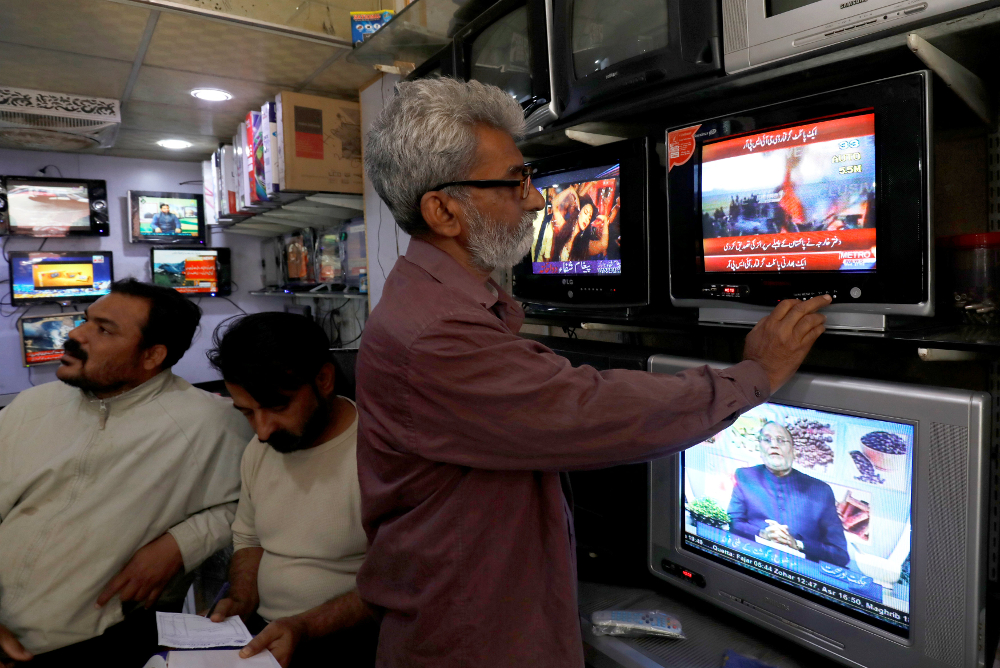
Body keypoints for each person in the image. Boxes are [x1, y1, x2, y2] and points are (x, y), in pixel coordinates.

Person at [358, 77, 831, 668]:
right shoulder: (435, 332)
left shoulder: (435, 302)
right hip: (471, 642)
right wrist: (756, 373)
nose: (536, 201)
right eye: (515, 181)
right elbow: (587, 409)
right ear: (444, 210)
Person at [0, 279, 252, 668]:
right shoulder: (32, 405)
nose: (76, 335)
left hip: (97, 643)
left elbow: (254, 502)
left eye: (103, 330)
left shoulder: (210, 424)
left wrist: (180, 544)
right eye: (87, 320)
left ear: (152, 355)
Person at [205, 313, 375, 668]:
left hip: (348, 639)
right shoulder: (260, 450)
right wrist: (242, 599)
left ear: (323, 379)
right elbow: (249, 539)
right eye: (247, 413)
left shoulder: (379, 456)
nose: (262, 431)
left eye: (277, 407)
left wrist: (305, 626)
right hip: (267, 634)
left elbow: (401, 583)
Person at [727, 421, 850, 567]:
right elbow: (733, 523)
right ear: (759, 448)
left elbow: (840, 555)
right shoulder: (744, 476)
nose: (774, 445)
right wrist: (762, 534)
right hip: (750, 564)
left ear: (794, 451)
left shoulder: (820, 491)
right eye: (767, 440)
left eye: (781, 440)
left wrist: (797, 544)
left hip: (800, 572)